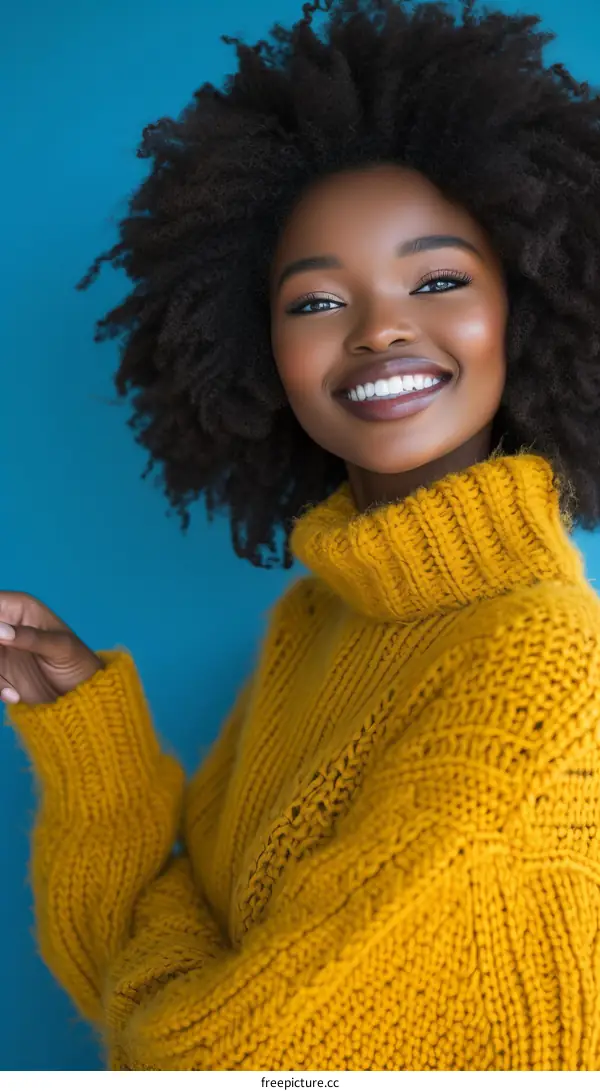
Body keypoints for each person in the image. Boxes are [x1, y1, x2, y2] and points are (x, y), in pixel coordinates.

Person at [3, 0, 600, 1071]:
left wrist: (181, 959)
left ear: (532, 301)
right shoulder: (318, 618)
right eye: (317, 300)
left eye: (438, 280)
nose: (379, 327)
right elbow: (124, 977)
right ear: (254, 348)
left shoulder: (544, 673)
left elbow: (214, 1058)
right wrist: (96, 749)